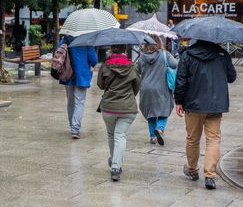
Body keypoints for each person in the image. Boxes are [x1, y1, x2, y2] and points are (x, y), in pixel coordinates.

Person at [174, 40, 236, 190]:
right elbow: (232, 77)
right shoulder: (222, 54)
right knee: (213, 139)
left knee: (193, 138)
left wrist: (179, 101)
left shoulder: (188, 55)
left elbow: (181, 80)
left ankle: (192, 170)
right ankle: (210, 176)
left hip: (193, 104)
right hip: (215, 105)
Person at [97, 45, 140, 181]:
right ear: (125, 51)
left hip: (109, 107)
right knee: (120, 136)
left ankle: (114, 162)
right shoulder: (132, 67)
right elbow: (136, 87)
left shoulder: (105, 66)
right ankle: (116, 166)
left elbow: (100, 85)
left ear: (111, 50)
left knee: (111, 135)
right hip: (127, 108)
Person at [137, 35, 178, 145]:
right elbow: (174, 65)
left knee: (151, 112)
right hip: (162, 87)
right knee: (164, 109)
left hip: (146, 88)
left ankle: (153, 137)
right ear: (159, 43)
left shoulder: (142, 57)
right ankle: (160, 129)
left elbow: (137, 70)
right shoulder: (165, 54)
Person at [63, 35, 98, 139]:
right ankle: (75, 128)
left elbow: (60, 52)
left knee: (70, 102)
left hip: (68, 75)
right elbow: (94, 60)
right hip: (82, 76)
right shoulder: (87, 40)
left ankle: (71, 125)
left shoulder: (65, 39)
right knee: (79, 103)